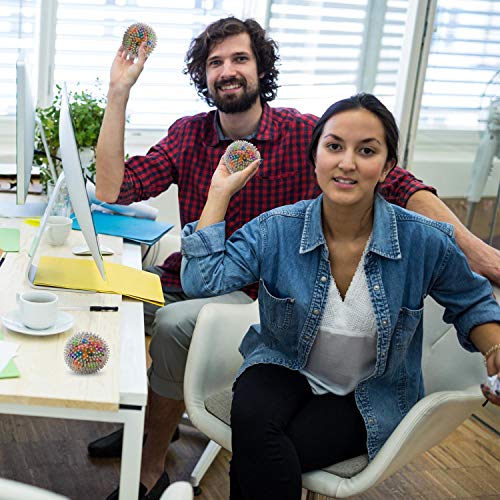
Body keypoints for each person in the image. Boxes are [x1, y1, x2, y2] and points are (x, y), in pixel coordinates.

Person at [93, 16, 500, 499]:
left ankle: (149, 465)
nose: (227, 70)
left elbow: (411, 195)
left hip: (269, 298)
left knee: (179, 331)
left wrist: (480, 254)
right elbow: (114, 190)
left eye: (240, 58)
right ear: (202, 76)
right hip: (252, 308)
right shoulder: (198, 144)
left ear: (261, 68)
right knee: (110, 298)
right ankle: (146, 417)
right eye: (215, 62)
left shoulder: (311, 137)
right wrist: (118, 91)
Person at [180, 93, 500, 500]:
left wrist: (494, 347)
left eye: (366, 150)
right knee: (255, 424)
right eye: (334, 147)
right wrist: (219, 193)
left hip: (371, 391)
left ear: (386, 167)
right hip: (284, 362)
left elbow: (471, 302)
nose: (347, 163)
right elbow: (201, 281)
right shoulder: (277, 229)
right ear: (315, 158)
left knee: (260, 455)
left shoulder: (423, 240)